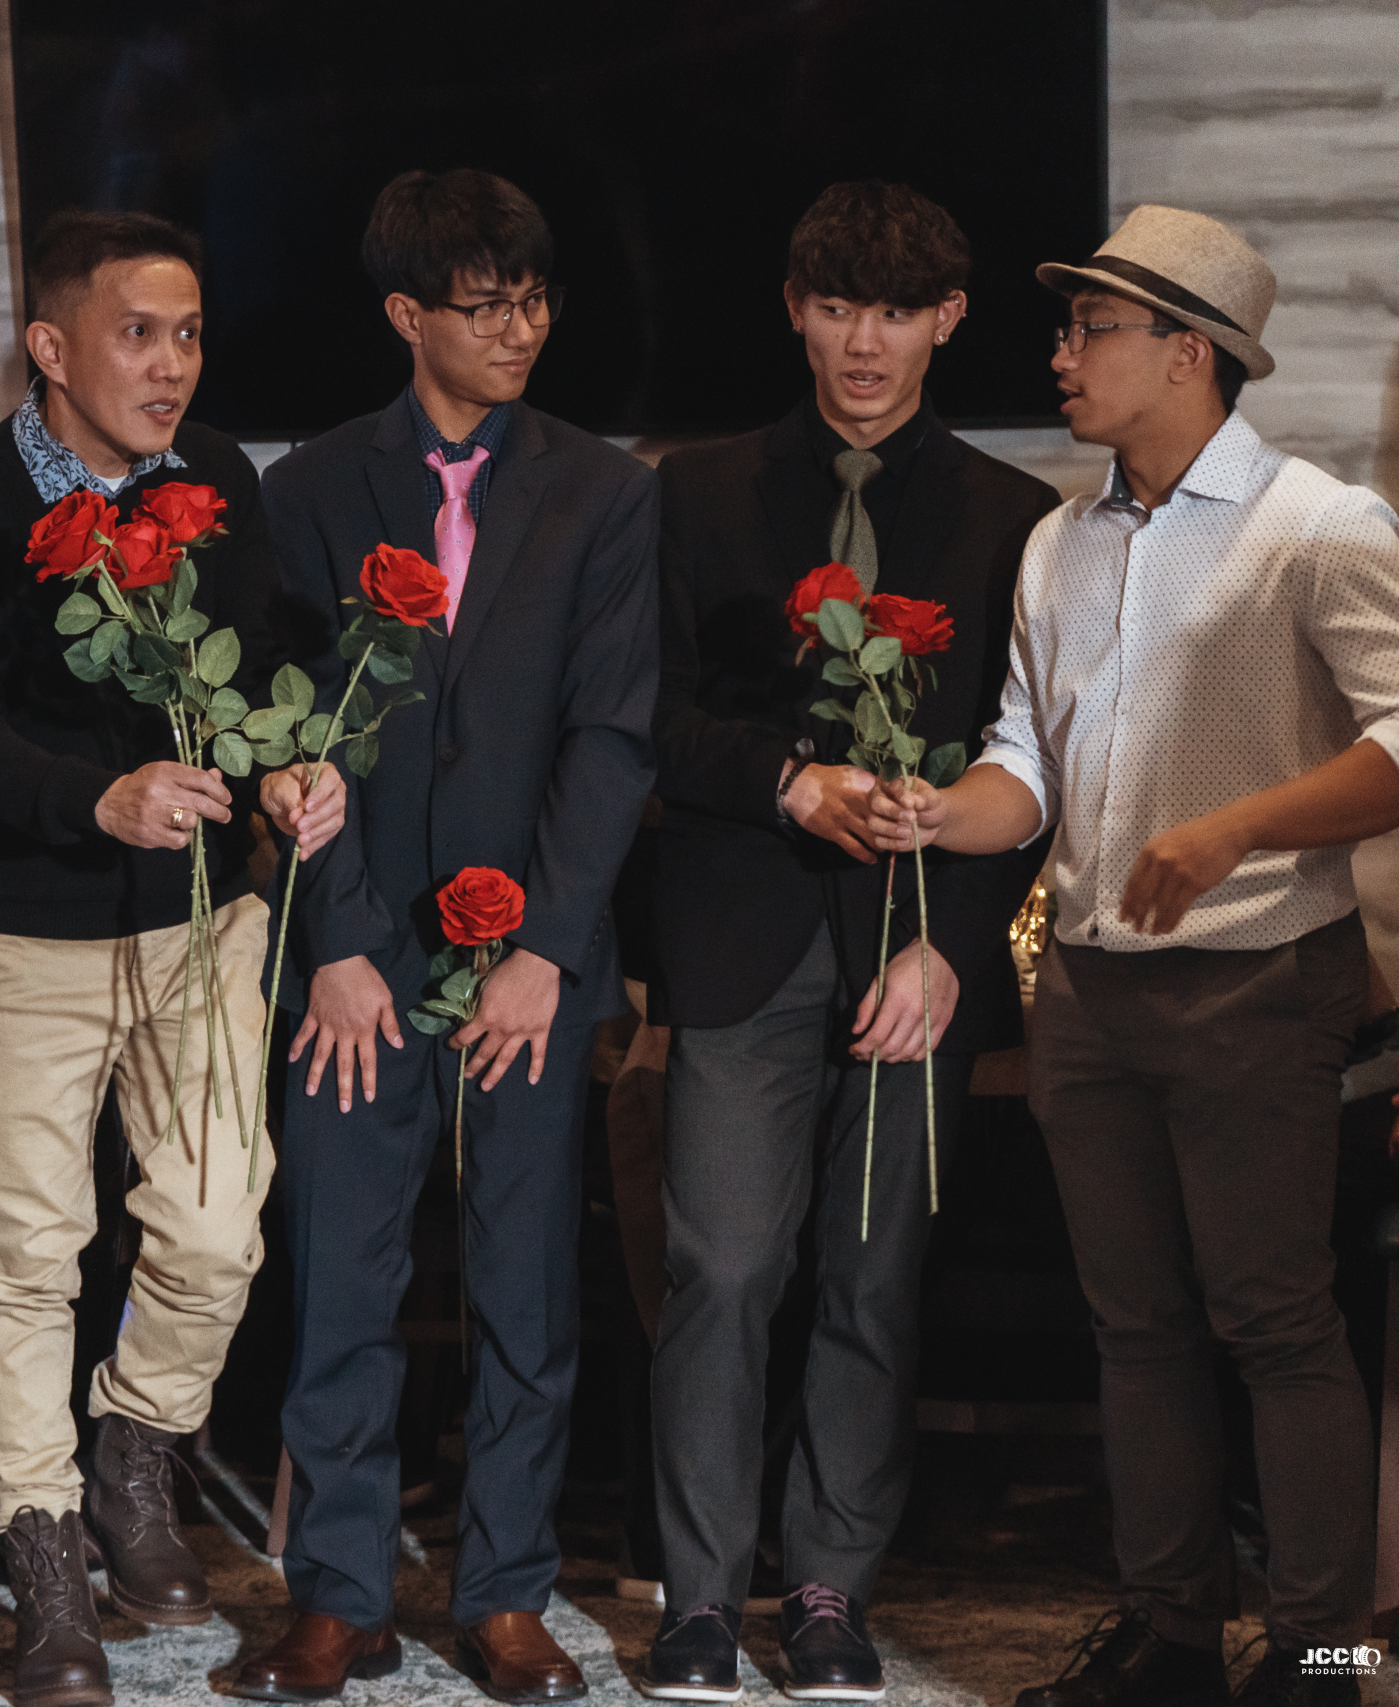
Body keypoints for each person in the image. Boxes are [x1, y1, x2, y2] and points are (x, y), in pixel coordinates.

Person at [868, 205, 1399, 1707]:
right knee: (1136, 1326)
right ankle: (1170, 1637)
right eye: (1068, 327)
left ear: (1190, 353)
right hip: (1090, 989)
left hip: (1258, 980)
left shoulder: (1319, 525)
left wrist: (1236, 830)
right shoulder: (1062, 540)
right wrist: (935, 813)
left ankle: (1323, 1655)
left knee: (1277, 1322)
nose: (1062, 354)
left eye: (1091, 327)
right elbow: (1025, 762)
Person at [0, 208, 342, 1707]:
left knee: (218, 1226)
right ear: (51, 345)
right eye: (139, 334)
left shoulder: (215, 476)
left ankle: (134, 1448)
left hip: (202, 920)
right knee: (28, 1252)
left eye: (189, 334)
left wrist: (287, 767)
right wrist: (94, 796)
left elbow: (256, 668)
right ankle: (43, 1559)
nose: (170, 365)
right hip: (24, 929)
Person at [231, 168, 658, 1706]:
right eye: (486, 306)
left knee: (526, 1280)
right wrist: (337, 941)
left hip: (530, 949)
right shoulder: (309, 487)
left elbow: (611, 735)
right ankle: (336, 1594)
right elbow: (291, 733)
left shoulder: (606, 490)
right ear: (409, 313)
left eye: (535, 300)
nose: (520, 330)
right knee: (341, 1274)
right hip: (358, 949)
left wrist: (546, 946)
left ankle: (508, 1590)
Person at [635, 181, 1062, 1702]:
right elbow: (645, 714)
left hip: (916, 953)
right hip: (740, 935)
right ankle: (698, 1597)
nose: (862, 343)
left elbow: (1035, 763)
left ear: (948, 320)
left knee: (875, 1277)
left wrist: (955, 950)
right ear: (795, 312)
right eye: (835, 307)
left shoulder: (1020, 518)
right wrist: (785, 780)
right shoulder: (691, 492)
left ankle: (829, 1592)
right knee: (722, 1267)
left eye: (893, 312)